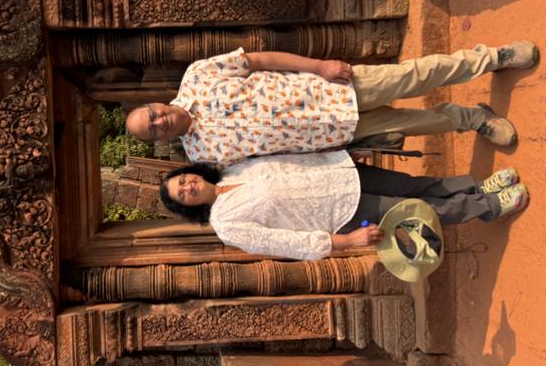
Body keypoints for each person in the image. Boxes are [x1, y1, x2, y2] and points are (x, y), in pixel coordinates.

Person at [125, 42, 539, 165]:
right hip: (328, 133)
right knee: (415, 124)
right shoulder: (202, 156)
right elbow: (267, 164)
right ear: (157, 140)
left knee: (415, 75)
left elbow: (261, 59)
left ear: (155, 103)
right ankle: (473, 119)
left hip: (329, 88)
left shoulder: (198, 75)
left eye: (152, 115)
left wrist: (320, 65)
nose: (160, 122)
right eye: (153, 130)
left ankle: (493, 58)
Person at [158, 152, 529, 260]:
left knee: (416, 185)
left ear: (190, 172)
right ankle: (489, 206)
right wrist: (347, 243)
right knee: (417, 210)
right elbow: (284, 244)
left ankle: (476, 187)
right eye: (183, 194)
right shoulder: (226, 225)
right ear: (187, 207)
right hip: (339, 212)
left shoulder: (233, 168)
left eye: (184, 180)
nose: (189, 186)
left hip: (341, 172)